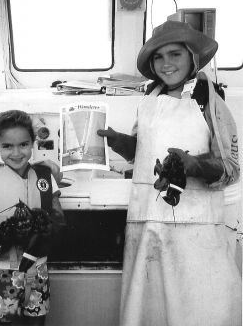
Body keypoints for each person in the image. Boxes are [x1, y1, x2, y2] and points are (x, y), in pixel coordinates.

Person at [97, 20, 242, 326]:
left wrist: (196, 165)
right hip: (147, 227)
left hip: (197, 232)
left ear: (192, 57)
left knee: (200, 311)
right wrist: (121, 143)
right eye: (158, 57)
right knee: (148, 311)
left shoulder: (210, 101)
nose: (166, 64)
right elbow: (145, 153)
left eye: (175, 54)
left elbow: (231, 168)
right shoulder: (148, 100)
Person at [0, 109, 65, 325]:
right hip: (0, 272)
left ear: (32, 143)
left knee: (36, 322)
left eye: (23, 144)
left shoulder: (45, 177)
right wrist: (11, 232)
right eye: (7, 146)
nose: (16, 153)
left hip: (37, 269)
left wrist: (46, 228)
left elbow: (59, 219)